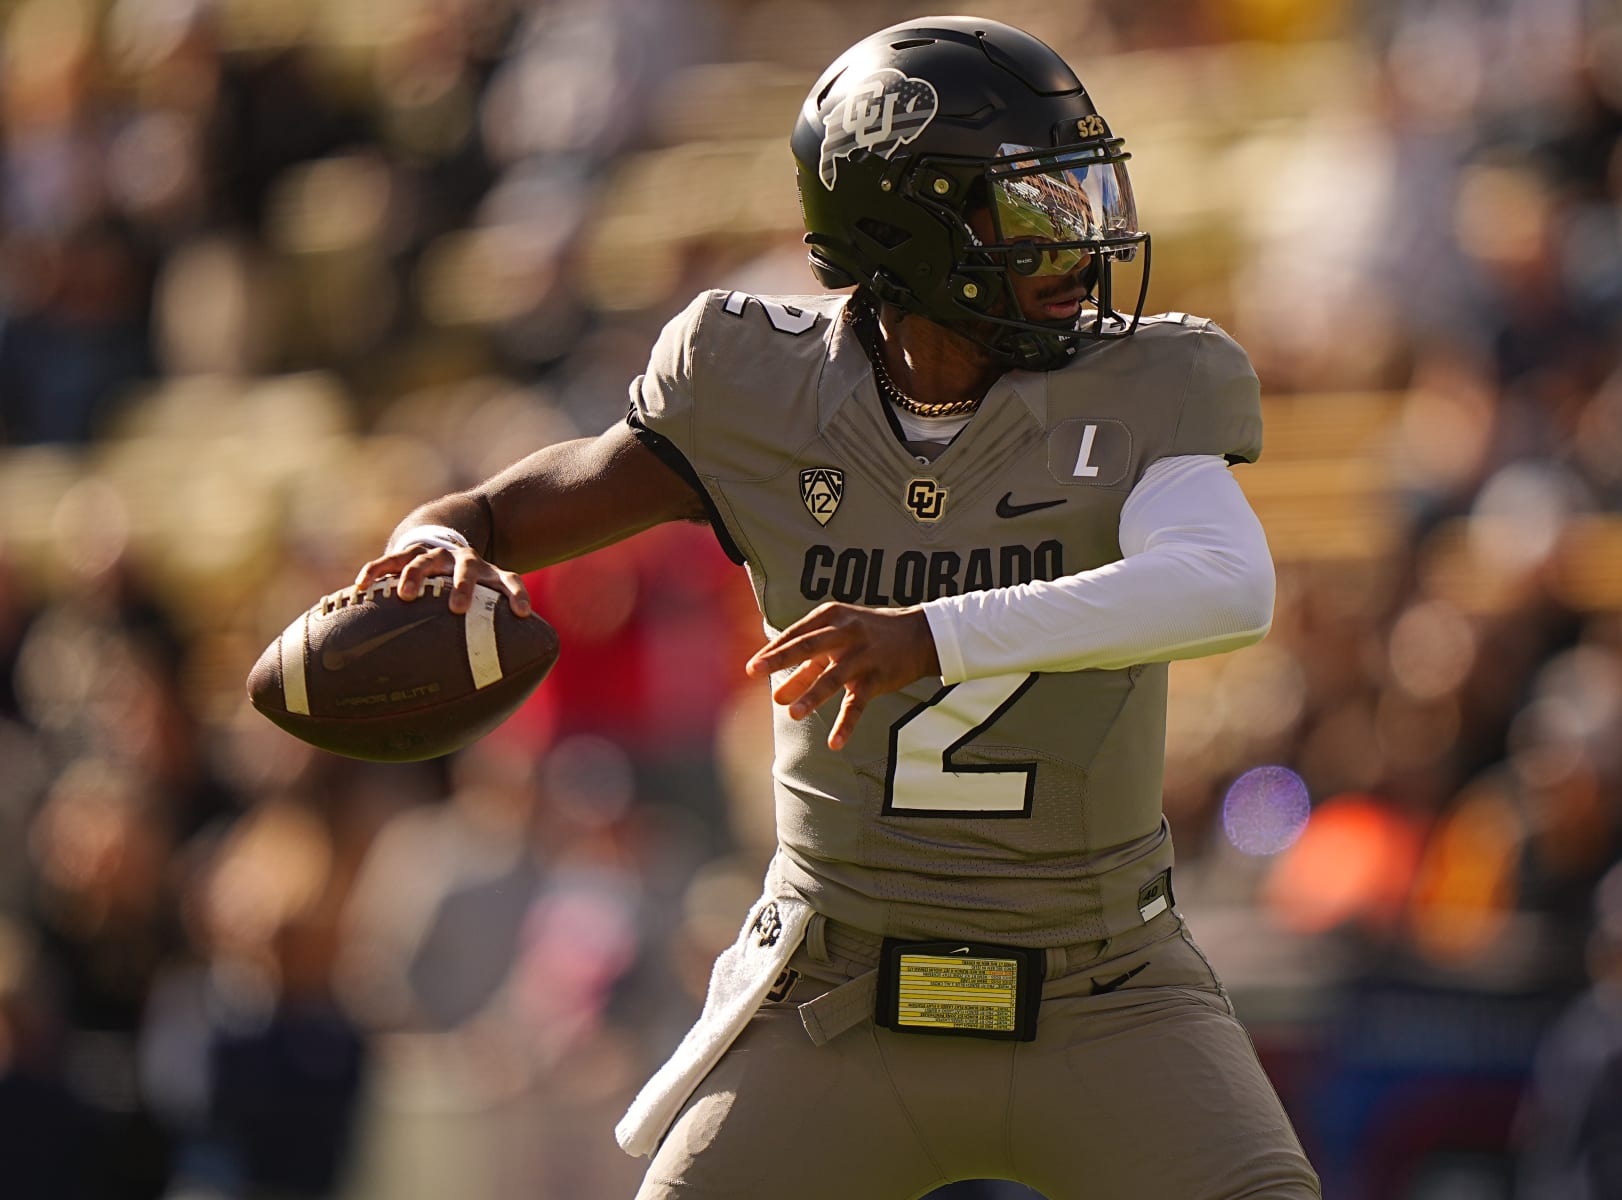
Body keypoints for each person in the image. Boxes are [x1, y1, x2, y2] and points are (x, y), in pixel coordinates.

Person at [354, 17, 1319, 1199]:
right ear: (909, 229)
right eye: (1035, 209)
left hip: (1106, 990)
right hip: (836, 995)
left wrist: (933, 635)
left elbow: (1226, 583)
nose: (1086, 239)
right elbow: (516, 511)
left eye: (1084, 191)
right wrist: (440, 536)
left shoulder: (1146, 387)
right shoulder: (757, 386)